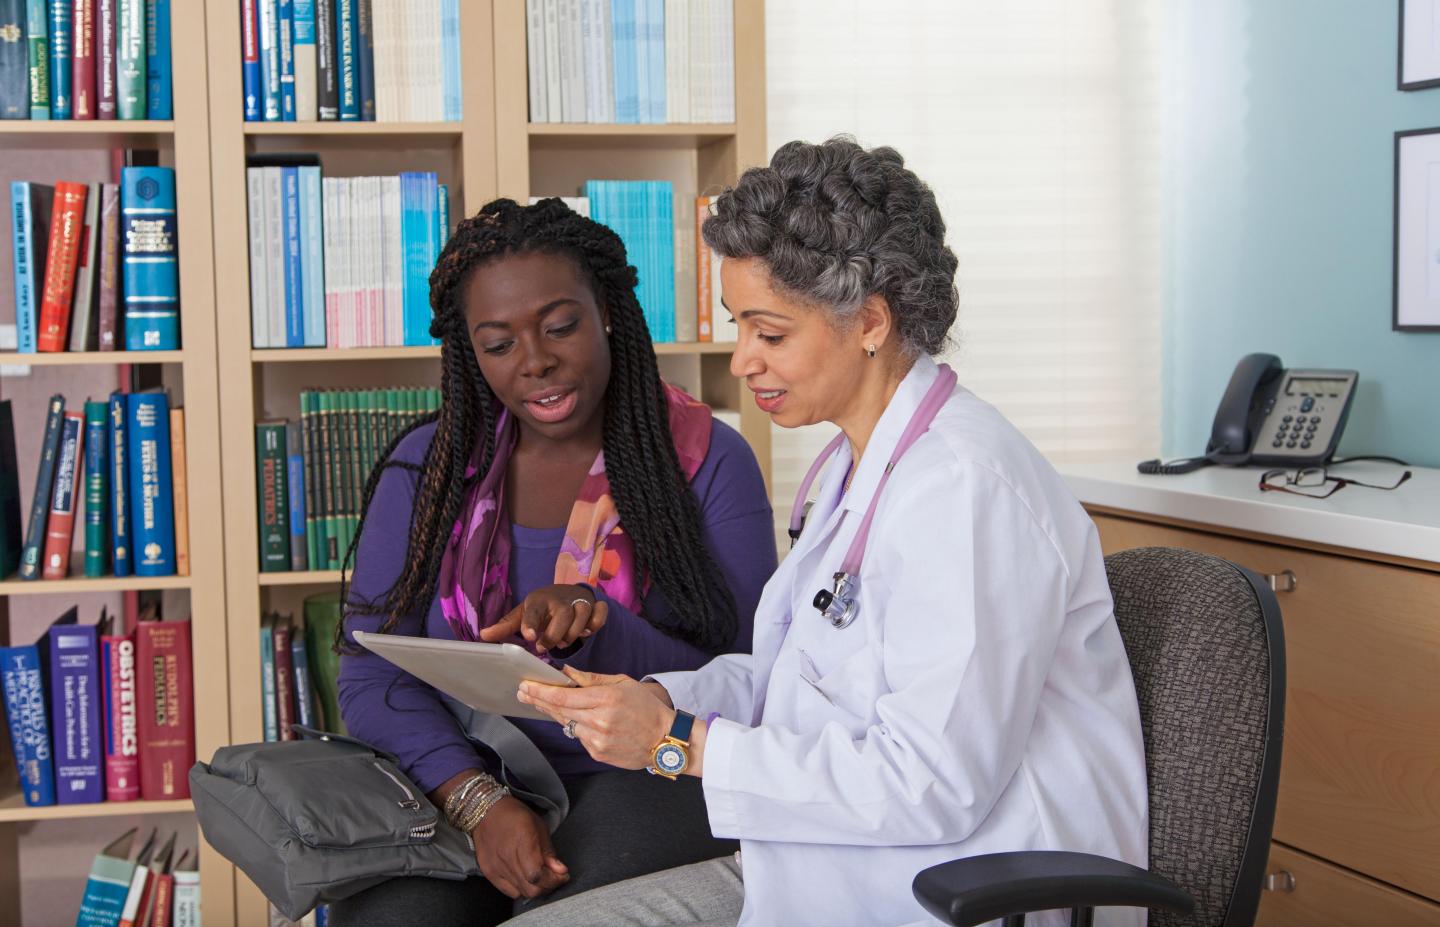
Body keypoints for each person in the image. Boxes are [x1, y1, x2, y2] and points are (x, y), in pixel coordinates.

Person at [508, 138, 1149, 927]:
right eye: (739, 326)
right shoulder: (859, 465)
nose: (741, 360)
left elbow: (930, 783)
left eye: (769, 334)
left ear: (870, 321)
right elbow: (795, 685)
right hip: (829, 864)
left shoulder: (966, 490)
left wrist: (680, 742)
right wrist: (648, 701)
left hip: (959, 891)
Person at [331, 198, 777, 926]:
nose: (535, 360)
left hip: (643, 776)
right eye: (498, 343)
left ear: (605, 310)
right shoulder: (427, 468)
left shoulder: (709, 462)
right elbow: (370, 669)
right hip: (462, 772)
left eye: (560, 325)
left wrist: (599, 625)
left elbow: (747, 678)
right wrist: (477, 799)